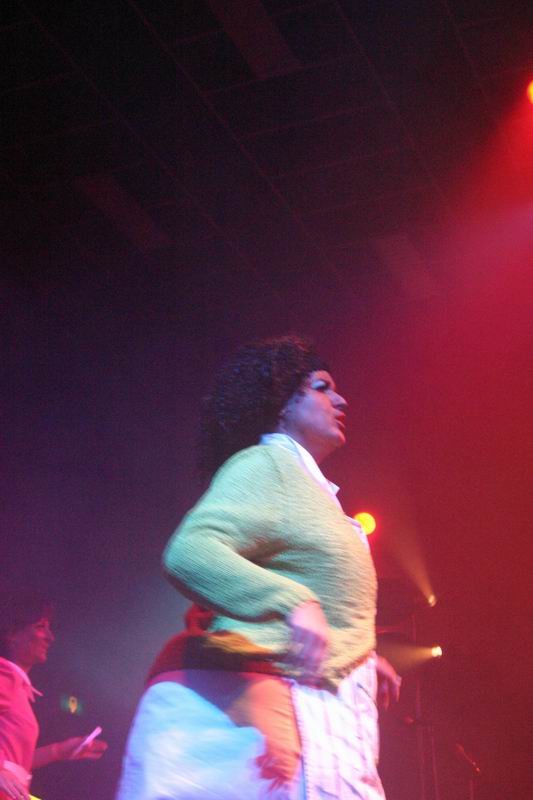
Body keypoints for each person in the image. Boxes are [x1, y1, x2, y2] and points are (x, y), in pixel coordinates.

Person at [116, 335, 400, 800]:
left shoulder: (311, 489)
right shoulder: (267, 464)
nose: (341, 400)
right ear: (283, 403)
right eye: (322, 387)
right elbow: (190, 551)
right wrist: (293, 602)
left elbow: (321, 593)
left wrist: (362, 654)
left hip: (334, 715)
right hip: (289, 711)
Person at [0, 590, 107, 800]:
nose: (50, 637)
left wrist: (59, 750)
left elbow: (15, 764)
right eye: (40, 627)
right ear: (12, 634)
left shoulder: (18, 687)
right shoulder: (5, 675)